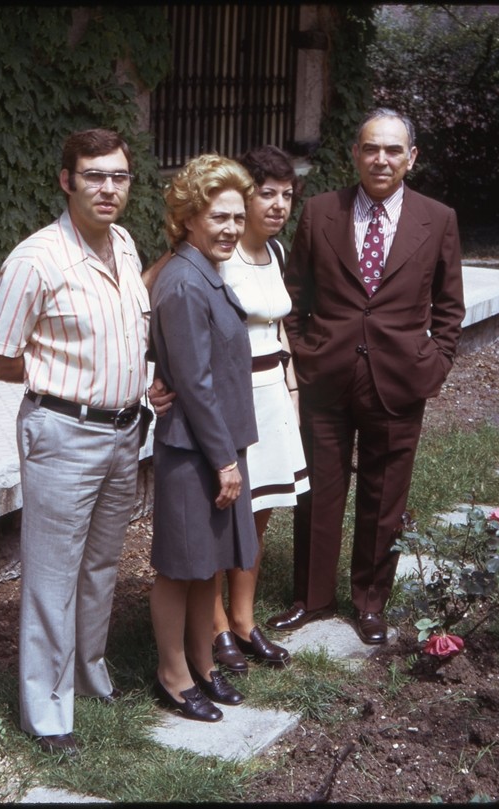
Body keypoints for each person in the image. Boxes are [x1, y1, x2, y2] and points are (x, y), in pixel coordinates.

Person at [0, 128, 159, 758]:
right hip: (63, 433)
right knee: (52, 576)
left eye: (119, 176)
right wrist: (62, 387)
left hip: (124, 432)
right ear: (66, 180)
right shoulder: (36, 259)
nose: (108, 188)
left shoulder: (127, 245)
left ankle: (90, 672)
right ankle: (48, 712)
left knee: (102, 565)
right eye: (94, 176)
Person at [267, 108, 466, 646]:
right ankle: (311, 597)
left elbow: (450, 307)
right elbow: (294, 296)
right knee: (319, 491)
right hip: (326, 375)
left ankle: (370, 601)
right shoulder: (319, 212)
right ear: (355, 154)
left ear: (411, 158)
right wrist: (304, 350)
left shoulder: (438, 218)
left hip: (399, 379)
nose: (381, 159)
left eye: (393, 150)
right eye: (371, 148)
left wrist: (436, 362)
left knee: (385, 498)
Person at [148, 154, 259, 722]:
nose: (231, 229)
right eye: (219, 216)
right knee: (179, 567)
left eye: (238, 218)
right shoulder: (184, 282)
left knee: (206, 564)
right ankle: (172, 674)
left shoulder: (203, 272)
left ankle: (202, 663)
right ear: (189, 217)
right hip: (194, 451)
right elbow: (193, 382)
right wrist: (225, 462)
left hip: (214, 447)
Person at [207, 145, 309, 674]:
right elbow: (157, 296)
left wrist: (292, 395)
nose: (277, 205)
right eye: (266, 193)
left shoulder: (277, 254)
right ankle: (216, 625)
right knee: (226, 513)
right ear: (243, 196)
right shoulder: (216, 257)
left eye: (287, 195)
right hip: (230, 396)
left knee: (261, 512)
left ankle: (245, 621)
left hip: (272, 391)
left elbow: (279, 330)